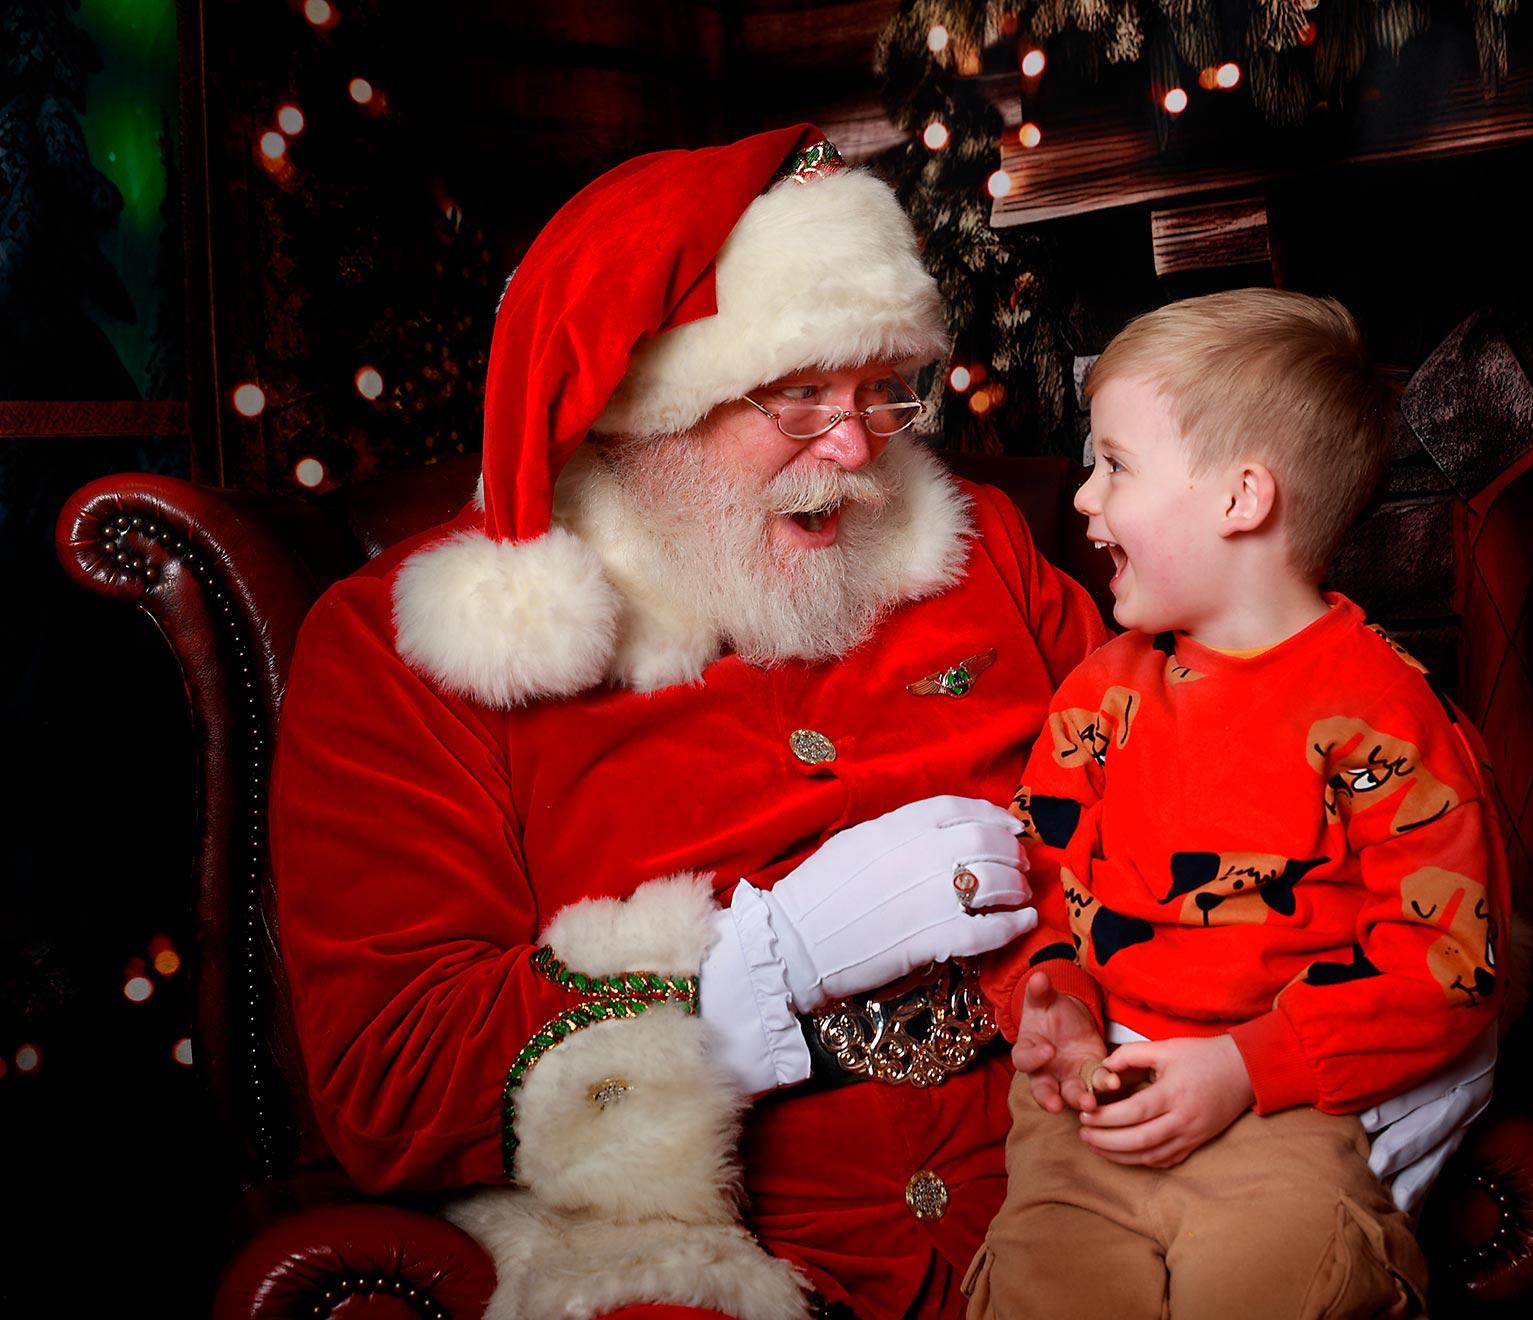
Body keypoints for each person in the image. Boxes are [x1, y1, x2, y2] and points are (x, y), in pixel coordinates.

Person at [271, 126, 1109, 1320]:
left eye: (884, 389)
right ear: (647, 405)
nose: (855, 446)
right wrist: (764, 960)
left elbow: (1164, 802)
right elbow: (391, 1079)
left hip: (1071, 1192)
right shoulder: (413, 650)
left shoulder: (980, 554)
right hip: (722, 1259)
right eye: (801, 391)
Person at [965, 290, 1511, 1320]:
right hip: (1089, 1114)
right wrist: (1061, 1014)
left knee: (1286, 1286)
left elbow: (1448, 959)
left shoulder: (1380, 718)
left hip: (1282, 1113)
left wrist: (1244, 1069)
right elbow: (1038, 885)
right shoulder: (1099, 699)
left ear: (1241, 498)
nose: (1085, 499)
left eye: (1116, 465)